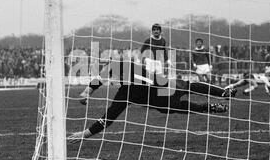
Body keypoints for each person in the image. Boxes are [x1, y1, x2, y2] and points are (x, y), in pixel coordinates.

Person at [69, 58, 236, 143]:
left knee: (189, 87)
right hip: (164, 100)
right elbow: (109, 117)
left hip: (165, 88)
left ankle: (223, 93)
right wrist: (86, 92)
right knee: (185, 102)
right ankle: (211, 107)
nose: (111, 74)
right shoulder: (125, 92)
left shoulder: (131, 76)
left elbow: (149, 80)